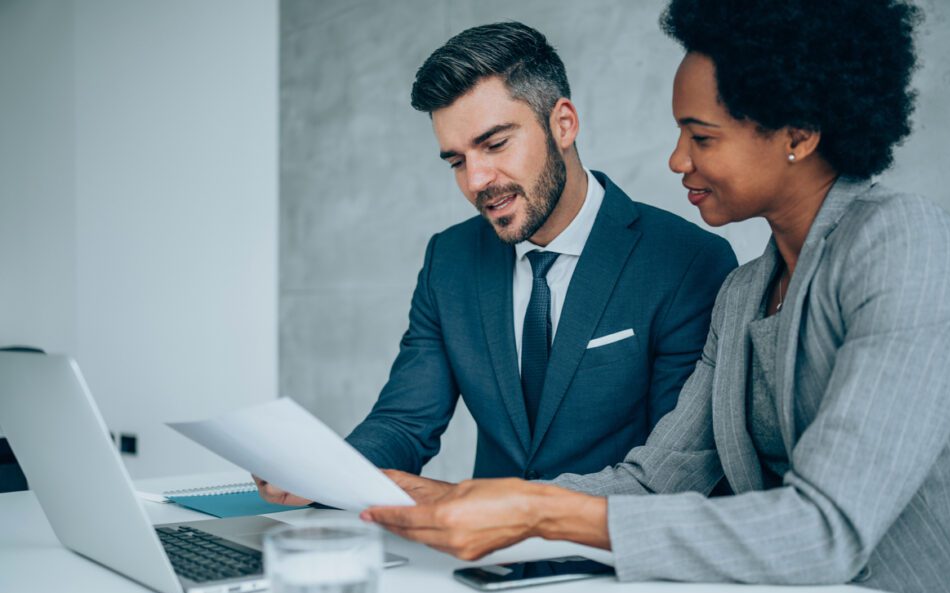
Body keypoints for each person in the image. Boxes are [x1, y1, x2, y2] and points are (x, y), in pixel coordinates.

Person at [363, 0, 950, 593]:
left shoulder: (911, 245)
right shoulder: (744, 292)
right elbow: (656, 481)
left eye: (700, 136)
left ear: (797, 132)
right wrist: (471, 498)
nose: (677, 158)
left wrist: (537, 509)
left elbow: (826, 528)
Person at [256, 22, 736, 505]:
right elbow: (404, 421)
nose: (477, 180)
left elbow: (672, 470)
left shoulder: (686, 261)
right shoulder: (450, 261)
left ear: (563, 124)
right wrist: (323, 471)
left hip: (617, 563)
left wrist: (497, 509)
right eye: (456, 161)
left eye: (495, 144)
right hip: (484, 567)